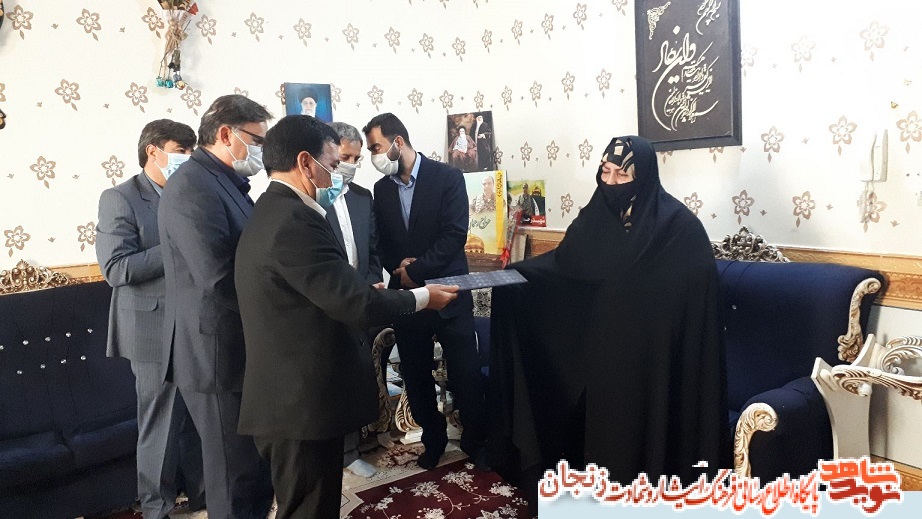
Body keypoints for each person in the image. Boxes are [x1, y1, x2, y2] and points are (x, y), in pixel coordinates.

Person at [234, 114, 460, 519]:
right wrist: (423, 296)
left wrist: (365, 290)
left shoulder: (274, 209)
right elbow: (355, 303)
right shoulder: (294, 220)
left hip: (292, 398)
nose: (337, 175)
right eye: (333, 164)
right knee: (308, 508)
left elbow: (328, 290)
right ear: (306, 163)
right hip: (298, 403)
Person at [488, 136, 729, 510]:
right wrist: (516, 279)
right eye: (606, 172)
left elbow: (691, 294)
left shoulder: (677, 227)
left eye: (622, 174)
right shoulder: (594, 217)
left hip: (654, 361)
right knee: (600, 442)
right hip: (603, 356)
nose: (611, 182)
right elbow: (565, 269)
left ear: (643, 176)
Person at [158, 94, 275, 519]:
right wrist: (278, 313)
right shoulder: (192, 185)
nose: (261, 151)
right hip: (215, 354)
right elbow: (218, 277)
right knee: (233, 477)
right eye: (256, 141)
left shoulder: (224, 181)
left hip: (239, 347)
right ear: (227, 134)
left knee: (257, 471)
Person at [363, 113, 489, 471]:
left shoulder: (447, 177)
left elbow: (454, 235)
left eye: (376, 147)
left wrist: (413, 271)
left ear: (398, 142)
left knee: (466, 375)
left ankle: (475, 441)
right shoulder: (382, 190)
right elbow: (381, 242)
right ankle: (433, 440)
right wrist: (397, 266)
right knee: (416, 379)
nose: (374, 156)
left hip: (449, 293)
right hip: (408, 302)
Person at [96, 119, 206, 519]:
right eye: (180, 150)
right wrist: (176, 247)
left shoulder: (190, 193)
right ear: (153, 151)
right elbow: (116, 269)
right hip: (151, 330)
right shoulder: (120, 197)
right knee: (160, 423)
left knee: (196, 419)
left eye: (191, 151)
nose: (187, 158)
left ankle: (204, 497)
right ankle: (156, 507)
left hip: (194, 324)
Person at [327, 121, 383, 478]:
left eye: (356, 159)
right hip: (326, 302)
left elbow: (373, 251)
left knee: (356, 378)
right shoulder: (311, 198)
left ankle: (351, 450)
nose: (350, 165)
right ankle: (332, 452)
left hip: (361, 300)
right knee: (328, 380)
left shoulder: (363, 197)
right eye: (344, 157)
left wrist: (373, 282)